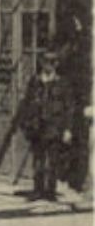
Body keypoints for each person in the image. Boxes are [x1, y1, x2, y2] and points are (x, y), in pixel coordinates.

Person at [20, 52, 78, 202]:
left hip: (55, 127)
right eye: (46, 62)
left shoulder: (62, 83)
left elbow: (69, 108)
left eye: (52, 62)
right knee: (38, 160)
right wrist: (26, 123)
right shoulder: (35, 81)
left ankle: (50, 191)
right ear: (41, 63)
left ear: (56, 64)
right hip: (37, 127)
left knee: (53, 160)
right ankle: (37, 190)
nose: (49, 65)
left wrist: (68, 129)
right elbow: (26, 103)